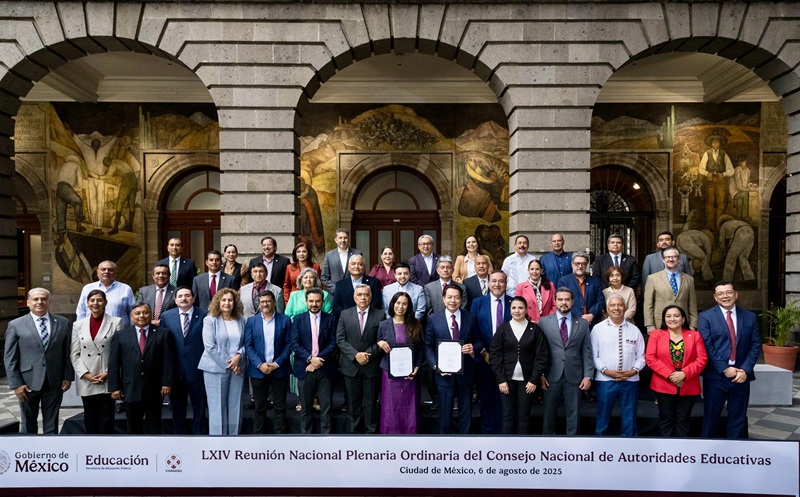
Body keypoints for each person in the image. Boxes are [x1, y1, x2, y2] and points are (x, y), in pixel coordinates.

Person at [4, 288, 73, 434]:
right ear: (28, 302)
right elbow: (10, 357)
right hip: (27, 382)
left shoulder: (63, 322)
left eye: (43, 299)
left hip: (54, 380)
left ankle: (50, 447)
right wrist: (16, 384)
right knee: (28, 422)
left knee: (52, 422)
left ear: (49, 302)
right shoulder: (16, 325)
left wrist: (67, 376)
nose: (39, 302)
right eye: (35, 299)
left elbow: (67, 352)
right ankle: (29, 447)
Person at [698, 281, 761, 439]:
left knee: (738, 419)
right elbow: (707, 346)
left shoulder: (750, 317)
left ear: (736, 294)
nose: (725, 296)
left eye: (728, 292)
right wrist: (725, 369)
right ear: (715, 297)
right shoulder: (705, 317)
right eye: (720, 293)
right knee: (711, 418)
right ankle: (709, 451)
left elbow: (755, 346)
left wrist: (745, 369)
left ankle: (736, 452)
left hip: (741, 376)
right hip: (716, 377)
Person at [108, 303, 174, 434]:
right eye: (137, 313)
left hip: (154, 388)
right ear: (131, 317)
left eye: (145, 312)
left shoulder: (163, 333)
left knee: (154, 425)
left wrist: (167, 383)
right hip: (130, 388)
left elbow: (168, 361)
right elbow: (114, 363)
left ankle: (153, 447)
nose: (142, 316)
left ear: (151, 315)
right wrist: (114, 387)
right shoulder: (121, 335)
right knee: (133, 426)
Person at [424, 284, 481, 434]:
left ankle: (465, 442)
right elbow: (428, 346)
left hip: (466, 373)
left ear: (461, 299)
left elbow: (479, 342)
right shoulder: (433, 319)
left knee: (466, 413)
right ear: (443, 299)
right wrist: (436, 366)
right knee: (444, 413)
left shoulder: (471, 317)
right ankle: (445, 443)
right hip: (444, 375)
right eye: (449, 297)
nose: (453, 301)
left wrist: (473, 348)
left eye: (456, 297)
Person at [646, 305, 708, 437]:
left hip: (688, 383)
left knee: (683, 420)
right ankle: (666, 449)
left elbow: (702, 359)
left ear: (683, 319)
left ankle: (682, 449)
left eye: (676, 316)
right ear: (664, 319)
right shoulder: (656, 335)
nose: (672, 319)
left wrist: (684, 374)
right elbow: (650, 358)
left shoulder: (695, 335)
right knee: (666, 419)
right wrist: (671, 375)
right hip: (663, 384)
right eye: (668, 316)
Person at [489, 296, 548, 434]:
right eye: (514, 308)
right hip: (506, 380)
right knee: (508, 415)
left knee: (524, 416)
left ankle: (523, 446)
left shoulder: (535, 329)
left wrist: (534, 380)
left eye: (520, 308)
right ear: (510, 310)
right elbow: (495, 355)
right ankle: (507, 445)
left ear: (526, 310)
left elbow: (541, 356)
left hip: (527, 381)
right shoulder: (503, 329)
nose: (517, 311)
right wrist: (501, 379)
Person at [539, 287, 594, 436]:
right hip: (550, 375)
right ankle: (547, 445)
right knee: (548, 414)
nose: (564, 302)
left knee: (573, 415)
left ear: (572, 301)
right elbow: (540, 351)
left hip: (575, 375)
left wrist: (588, 376)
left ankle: (573, 445)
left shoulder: (582, 323)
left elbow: (587, 351)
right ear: (555, 301)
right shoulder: (544, 322)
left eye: (567, 299)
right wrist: (541, 374)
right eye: (560, 299)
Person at [591, 294, 645, 437]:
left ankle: (629, 446)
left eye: (620, 305)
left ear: (625, 308)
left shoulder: (634, 330)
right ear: (607, 309)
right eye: (612, 305)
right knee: (602, 417)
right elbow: (593, 355)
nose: (616, 308)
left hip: (630, 380)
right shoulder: (598, 329)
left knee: (630, 417)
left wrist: (633, 371)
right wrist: (606, 371)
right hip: (605, 380)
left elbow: (641, 356)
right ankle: (600, 446)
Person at [71, 289, 122, 434]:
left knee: (107, 417)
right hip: (87, 378)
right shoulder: (78, 325)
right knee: (90, 416)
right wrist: (85, 374)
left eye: (99, 300)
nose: (96, 303)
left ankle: (107, 446)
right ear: (87, 303)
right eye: (92, 300)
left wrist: (108, 373)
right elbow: (74, 354)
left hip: (107, 376)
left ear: (105, 302)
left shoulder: (116, 322)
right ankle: (91, 445)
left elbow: (119, 352)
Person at [197, 288, 246, 435]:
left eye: (230, 300)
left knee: (236, 405)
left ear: (235, 302)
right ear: (218, 302)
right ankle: (218, 441)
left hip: (238, 368)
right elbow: (210, 346)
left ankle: (234, 439)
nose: (227, 303)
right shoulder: (210, 320)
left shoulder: (241, 319)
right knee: (217, 407)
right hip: (215, 368)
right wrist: (231, 364)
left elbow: (247, 342)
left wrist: (239, 356)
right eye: (223, 300)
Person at [336, 284, 384, 434]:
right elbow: (340, 339)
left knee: (371, 403)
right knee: (353, 404)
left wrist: (368, 354)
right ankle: (354, 434)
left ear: (371, 297)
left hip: (371, 365)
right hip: (350, 366)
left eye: (366, 294)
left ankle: (371, 433)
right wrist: (356, 355)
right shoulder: (345, 314)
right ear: (354, 298)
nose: (363, 298)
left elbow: (382, 339)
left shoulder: (380, 314)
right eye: (359, 295)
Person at [161, 287, 207, 435]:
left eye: (187, 295)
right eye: (180, 296)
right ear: (175, 300)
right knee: (177, 409)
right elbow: (164, 344)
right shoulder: (166, 316)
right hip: (176, 371)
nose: (184, 298)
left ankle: (199, 437)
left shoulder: (205, 315)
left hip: (198, 369)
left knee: (199, 407)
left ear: (193, 298)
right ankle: (179, 438)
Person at [244, 290, 292, 434]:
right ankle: (258, 437)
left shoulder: (285, 320)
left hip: (279, 369)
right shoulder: (251, 321)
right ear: (259, 304)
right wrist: (260, 364)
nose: (265, 304)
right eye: (262, 302)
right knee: (259, 407)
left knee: (280, 406)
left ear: (274, 302)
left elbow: (289, 344)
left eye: (268, 301)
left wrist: (277, 364)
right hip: (258, 370)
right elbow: (248, 346)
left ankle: (280, 436)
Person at [470, 270, 511, 434]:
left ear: (506, 284)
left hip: (507, 362)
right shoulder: (478, 303)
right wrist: (483, 352)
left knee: (505, 401)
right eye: (493, 281)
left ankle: (503, 436)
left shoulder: (513, 302)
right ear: (488, 283)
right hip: (484, 359)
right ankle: (487, 436)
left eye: (501, 281)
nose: (497, 284)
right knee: (486, 400)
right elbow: (473, 330)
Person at [291, 288, 337, 434]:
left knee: (326, 408)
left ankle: (327, 439)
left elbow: (333, 343)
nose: (314, 304)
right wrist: (311, 359)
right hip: (305, 368)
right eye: (311, 301)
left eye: (317, 301)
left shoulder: (331, 319)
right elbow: (294, 343)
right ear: (306, 302)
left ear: (322, 302)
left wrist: (318, 360)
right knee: (306, 409)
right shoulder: (298, 319)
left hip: (326, 368)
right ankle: (306, 439)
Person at [377, 292, 423, 434]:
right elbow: (377, 347)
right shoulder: (383, 325)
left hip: (410, 373)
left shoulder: (415, 324)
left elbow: (420, 350)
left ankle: (411, 434)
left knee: (410, 406)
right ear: (392, 304)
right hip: (389, 373)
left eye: (404, 304)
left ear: (408, 306)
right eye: (398, 303)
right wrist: (379, 343)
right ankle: (389, 434)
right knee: (391, 406)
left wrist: (417, 367)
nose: (400, 306)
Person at [644, 247, 698, 333]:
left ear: (679, 259)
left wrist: (693, 325)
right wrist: (649, 325)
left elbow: (692, 304)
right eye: (667, 257)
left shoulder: (689, 279)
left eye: (674, 257)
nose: (671, 259)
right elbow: (648, 304)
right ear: (663, 260)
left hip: (683, 324)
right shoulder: (652, 278)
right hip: (660, 323)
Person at [76, 260, 136, 325]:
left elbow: (133, 313)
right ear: (97, 272)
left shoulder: (125, 289)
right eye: (103, 269)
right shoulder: (87, 288)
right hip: (93, 329)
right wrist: (80, 328)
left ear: (116, 273)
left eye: (111, 270)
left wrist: (132, 330)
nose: (106, 272)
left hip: (119, 330)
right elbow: (81, 312)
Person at [698, 129, 734, 230]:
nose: (715, 144)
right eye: (714, 142)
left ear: (719, 143)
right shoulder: (707, 154)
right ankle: (710, 225)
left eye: (717, 142)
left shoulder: (724, 154)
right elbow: (700, 169)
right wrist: (707, 173)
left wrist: (724, 174)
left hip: (721, 182)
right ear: (711, 143)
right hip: (710, 182)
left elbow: (731, 170)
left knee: (721, 203)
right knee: (709, 203)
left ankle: (719, 225)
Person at [557, 252, 605, 327]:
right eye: (577, 263)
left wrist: (591, 314)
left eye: (583, 264)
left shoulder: (595, 281)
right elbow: (563, 301)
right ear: (572, 264)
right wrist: (580, 317)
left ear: (587, 265)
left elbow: (600, 300)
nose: (580, 266)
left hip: (592, 323)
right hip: (572, 322)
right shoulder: (564, 281)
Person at [321, 228, 362, 293]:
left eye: (345, 238)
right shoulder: (329, 255)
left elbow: (361, 274)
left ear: (348, 239)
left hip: (353, 293)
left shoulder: (357, 253)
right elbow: (324, 277)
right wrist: (337, 289)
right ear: (336, 240)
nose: (343, 240)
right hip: (335, 294)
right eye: (340, 238)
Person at [515, 258, 556, 323]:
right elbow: (517, 307)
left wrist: (548, 320)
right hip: (528, 323)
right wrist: (528, 321)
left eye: (537, 269)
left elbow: (555, 305)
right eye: (532, 269)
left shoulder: (550, 285)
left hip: (547, 323)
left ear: (541, 270)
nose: (534, 271)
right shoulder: (520, 287)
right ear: (528, 270)